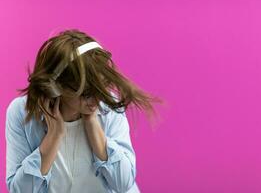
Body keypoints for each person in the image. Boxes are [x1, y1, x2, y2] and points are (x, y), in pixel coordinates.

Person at [5, 29, 162, 193]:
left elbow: (123, 183)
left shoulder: (108, 107)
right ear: (57, 87)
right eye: (86, 94)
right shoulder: (21, 113)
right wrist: (54, 135)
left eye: (100, 89)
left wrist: (93, 126)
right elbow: (20, 190)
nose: (97, 100)